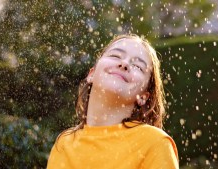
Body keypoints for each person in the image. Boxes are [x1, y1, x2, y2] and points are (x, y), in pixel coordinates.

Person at [47, 34, 179, 169]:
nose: (125, 64)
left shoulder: (154, 143)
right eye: (115, 56)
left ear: (143, 97)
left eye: (138, 66)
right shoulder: (64, 144)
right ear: (91, 74)